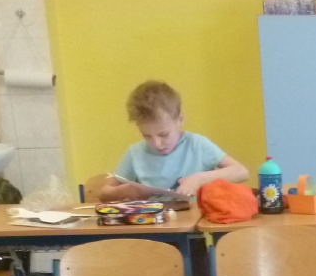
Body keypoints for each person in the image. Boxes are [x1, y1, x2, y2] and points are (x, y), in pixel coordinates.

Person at [96, 81, 249, 201]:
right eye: (147, 136)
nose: (157, 143)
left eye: (164, 134)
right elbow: (104, 193)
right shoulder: (135, 153)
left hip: (191, 228)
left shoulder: (197, 145)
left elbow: (241, 172)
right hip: (151, 226)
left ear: (180, 120)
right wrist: (124, 191)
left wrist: (199, 179)